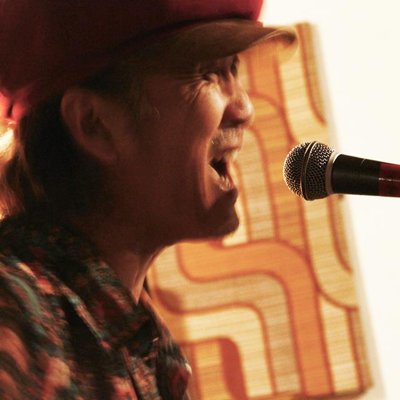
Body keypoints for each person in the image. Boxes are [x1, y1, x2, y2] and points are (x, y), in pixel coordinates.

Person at [0, 0, 296, 398]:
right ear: (95, 124)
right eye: (207, 73)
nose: (245, 109)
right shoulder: (15, 312)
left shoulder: (136, 334)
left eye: (234, 68)